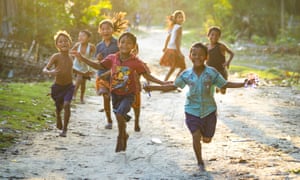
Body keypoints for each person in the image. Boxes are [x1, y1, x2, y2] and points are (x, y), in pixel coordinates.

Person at [144, 42, 255, 171]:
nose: (197, 57)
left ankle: (205, 135)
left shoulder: (211, 72)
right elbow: (173, 86)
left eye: (201, 55)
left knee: (207, 139)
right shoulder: (185, 74)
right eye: (194, 54)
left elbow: (224, 84)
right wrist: (152, 87)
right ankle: (200, 162)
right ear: (190, 56)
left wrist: (243, 83)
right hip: (191, 110)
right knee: (196, 136)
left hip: (209, 111)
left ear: (206, 57)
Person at [71, 32, 170, 152]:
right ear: (118, 44)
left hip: (129, 94)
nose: (125, 45)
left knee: (119, 114)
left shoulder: (135, 62)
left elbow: (147, 76)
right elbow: (99, 66)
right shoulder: (112, 58)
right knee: (120, 116)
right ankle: (124, 134)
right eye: (122, 42)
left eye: (129, 43)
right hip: (115, 94)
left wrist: (162, 83)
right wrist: (82, 59)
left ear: (133, 46)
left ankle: (120, 136)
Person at [42, 30, 87, 137]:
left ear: (70, 43)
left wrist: (85, 72)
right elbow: (45, 69)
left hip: (69, 86)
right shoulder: (55, 56)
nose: (63, 43)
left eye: (65, 41)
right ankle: (58, 116)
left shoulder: (72, 57)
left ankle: (65, 129)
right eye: (60, 42)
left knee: (67, 105)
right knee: (59, 107)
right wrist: (50, 72)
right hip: (57, 87)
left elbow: (73, 70)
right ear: (57, 45)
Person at [95, 14, 128, 129]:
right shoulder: (99, 46)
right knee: (106, 97)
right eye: (103, 29)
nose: (105, 31)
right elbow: (98, 61)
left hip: (116, 74)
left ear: (112, 30)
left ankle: (121, 113)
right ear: (100, 31)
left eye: (108, 28)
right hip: (103, 75)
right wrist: (98, 58)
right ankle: (109, 120)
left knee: (116, 98)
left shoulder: (118, 43)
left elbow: (122, 58)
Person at [206, 26, 234, 94]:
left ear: (219, 37)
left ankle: (218, 87)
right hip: (210, 73)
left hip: (221, 72)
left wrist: (228, 62)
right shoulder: (205, 46)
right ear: (208, 35)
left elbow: (231, 53)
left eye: (217, 35)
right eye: (212, 34)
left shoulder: (221, 46)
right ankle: (215, 87)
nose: (214, 37)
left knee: (223, 92)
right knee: (209, 91)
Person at [159, 10, 186, 81]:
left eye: (182, 17)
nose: (181, 19)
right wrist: (179, 52)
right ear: (175, 19)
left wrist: (165, 47)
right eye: (179, 17)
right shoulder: (179, 27)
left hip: (170, 48)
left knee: (173, 68)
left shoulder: (173, 26)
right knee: (183, 67)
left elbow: (168, 37)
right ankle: (175, 82)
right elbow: (176, 40)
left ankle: (165, 81)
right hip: (174, 50)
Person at [72, 29, 96, 104]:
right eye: (79, 36)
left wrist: (92, 68)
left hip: (85, 67)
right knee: (79, 78)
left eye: (83, 36)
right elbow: (70, 52)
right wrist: (75, 55)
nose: (81, 37)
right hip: (76, 66)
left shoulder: (91, 47)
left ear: (88, 38)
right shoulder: (77, 45)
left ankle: (82, 97)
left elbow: (93, 57)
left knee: (83, 84)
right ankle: (74, 95)